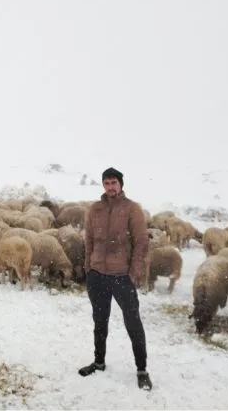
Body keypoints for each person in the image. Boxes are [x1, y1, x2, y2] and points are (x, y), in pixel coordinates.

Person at [78, 167, 153, 391]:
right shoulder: (95, 209)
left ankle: (142, 370)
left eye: (114, 183)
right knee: (100, 322)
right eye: (107, 183)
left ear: (121, 184)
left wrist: (134, 273)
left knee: (133, 323)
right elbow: (89, 240)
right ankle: (99, 362)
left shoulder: (132, 209)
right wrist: (88, 267)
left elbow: (141, 242)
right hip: (97, 275)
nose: (110, 187)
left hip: (122, 276)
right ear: (103, 185)